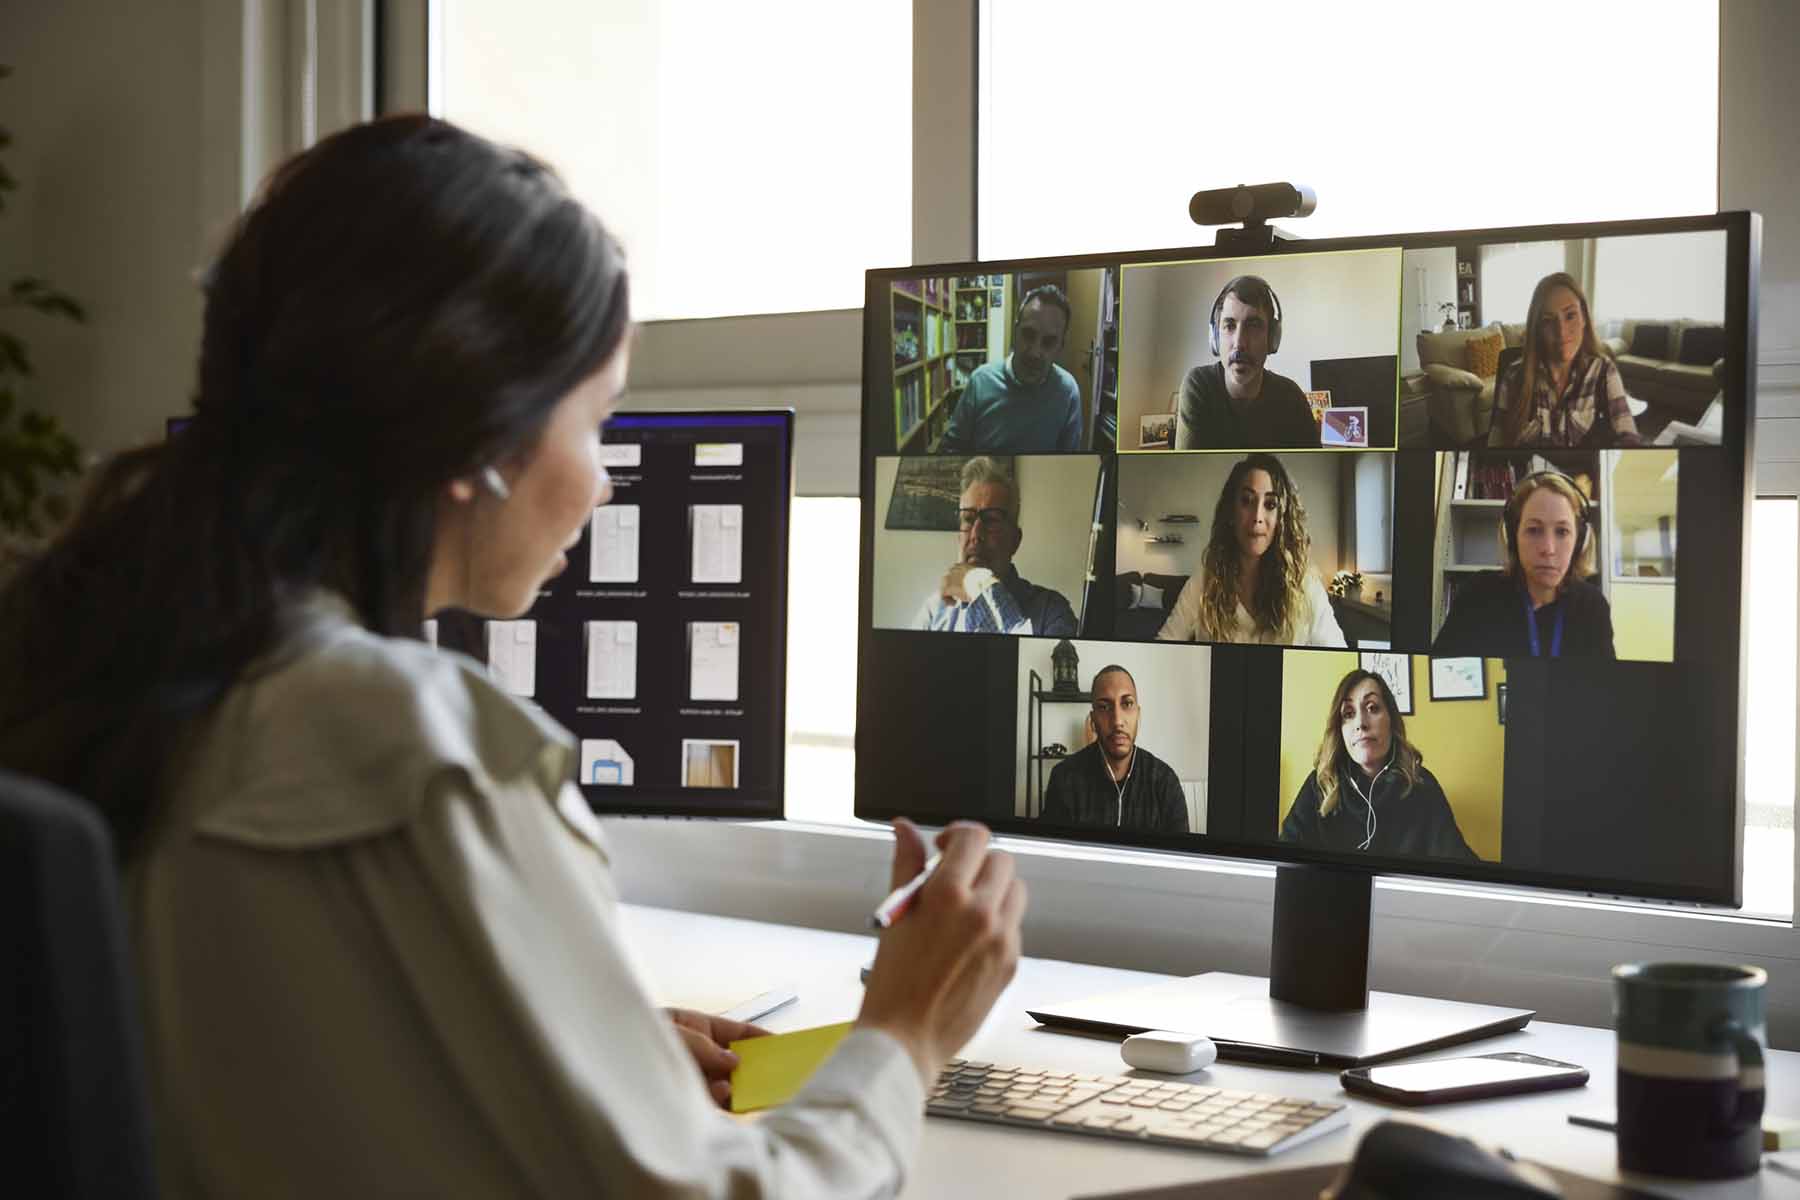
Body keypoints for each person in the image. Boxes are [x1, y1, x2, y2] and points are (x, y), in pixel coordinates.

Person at [0, 116, 1027, 1197]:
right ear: (477, 445)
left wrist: (581, 1047)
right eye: (597, 422)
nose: (606, 482)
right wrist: (904, 1035)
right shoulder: (411, 751)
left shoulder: (106, 677)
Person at [1280, 669, 1479, 861]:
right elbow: (1285, 856)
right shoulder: (1321, 783)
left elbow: (1456, 860)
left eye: (1372, 708)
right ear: (1339, 730)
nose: (1360, 723)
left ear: (1391, 721)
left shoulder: (1422, 785)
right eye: (1348, 714)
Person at [1156, 454, 1345, 646]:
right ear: (1231, 512)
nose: (1257, 517)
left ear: (1283, 518)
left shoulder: (1307, 588)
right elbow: (1162, 646)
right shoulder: (1204, 582)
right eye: (1247, 501)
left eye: (1270, 504)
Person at [1431, 470, 1616, 658]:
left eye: (1562, 531)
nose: (1548, 549)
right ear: (1513, 537)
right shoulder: (1477, 594)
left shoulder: (1593, 606)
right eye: (1534, 530)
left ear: (1579, 540)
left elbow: (1603, 685)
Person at [912, 455, 1077, 635]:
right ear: (958, 537)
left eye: (991, 520)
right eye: (968, 519)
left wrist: (983, 586)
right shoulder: (933, 613)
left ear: (1015, 540)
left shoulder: (1051, 612)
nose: (976, 535)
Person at [1489, 272, 1642, 447]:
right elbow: (1495, 443)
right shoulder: (1514, 376)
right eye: (1548, 321)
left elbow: (1629, 439)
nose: (1561, 332)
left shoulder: (1604, 371)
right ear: (1538, 329)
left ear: (1584, 318)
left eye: (1570, 316)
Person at [1039, 664, 1189, 833]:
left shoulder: (1165, 782)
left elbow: (1180, 855)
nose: (1117, 720)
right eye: (1104, 707)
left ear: (1138, 714)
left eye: (1127, 704)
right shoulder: (1064, 778)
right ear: (1093, 719)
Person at [1177, 275, 1318, 449]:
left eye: (1254, 325)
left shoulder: (1291, 397)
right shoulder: (1199, 386)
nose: (1240, 343)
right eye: (1229, 326)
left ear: (1272, 338)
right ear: (1215, 337)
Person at [940, 284, 1084, 453]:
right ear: (1015, 332)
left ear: (1061, 347)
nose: (1035, 353)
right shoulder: (980, 381)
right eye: (1028, 335)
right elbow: (950, 448)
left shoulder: (1068, 391)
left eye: (1049, 342)